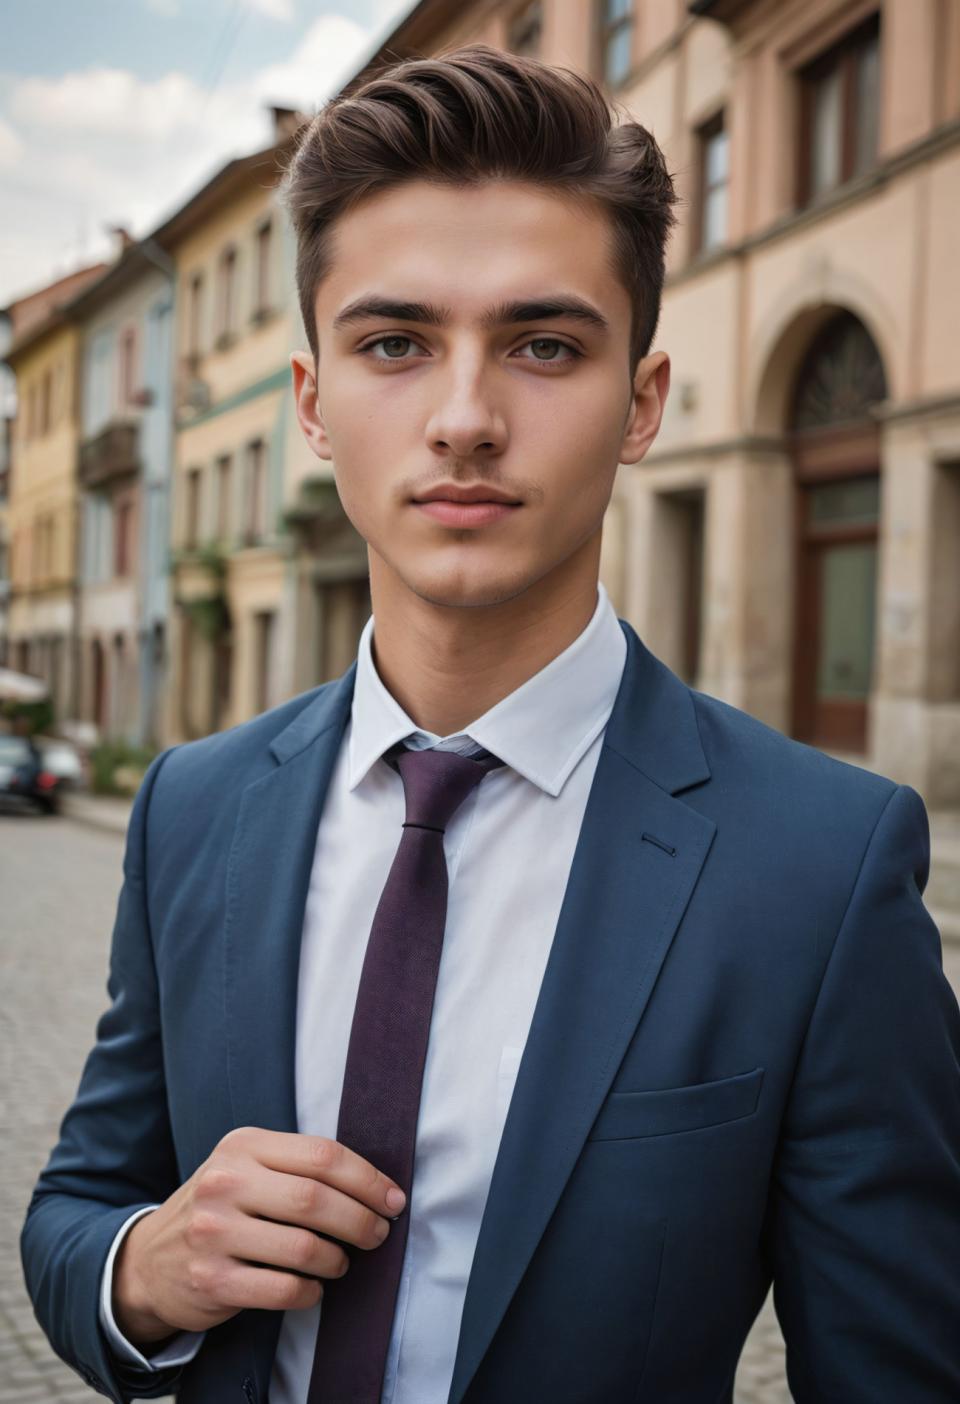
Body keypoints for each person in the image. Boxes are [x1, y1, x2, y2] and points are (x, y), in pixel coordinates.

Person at [21, 43, 960, 1404]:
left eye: (543, 345)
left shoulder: (820, 868)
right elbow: (77, 1206)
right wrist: (143, 1267)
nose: (465, 420)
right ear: (313, 404)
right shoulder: (193, 808)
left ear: (640, 404)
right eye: (395, 344)